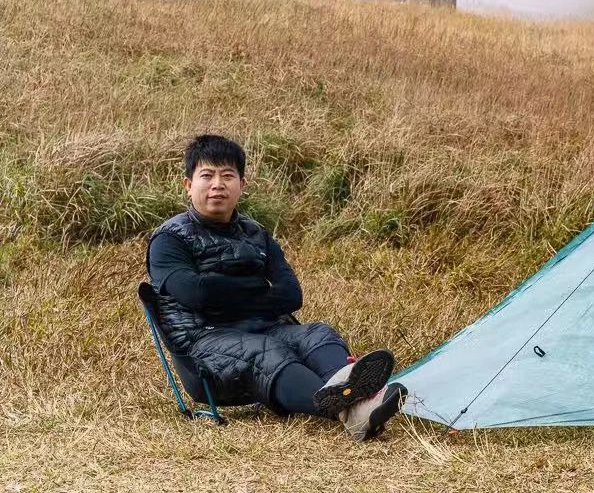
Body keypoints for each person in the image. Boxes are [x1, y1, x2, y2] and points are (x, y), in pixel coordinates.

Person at [146, 134, 405, 440]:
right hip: (205, 346)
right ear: (188, 185)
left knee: (316, 333)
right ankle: (353, 406)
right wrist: (256, 286)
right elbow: (194, 293)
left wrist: (223, 292)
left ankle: (355, 403)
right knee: (266, 350)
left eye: (228, 176)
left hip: (266, 328)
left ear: (241, 184)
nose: (218, 184)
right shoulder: (169, 239)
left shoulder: (256, 234)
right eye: (207, 175)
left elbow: (291, 295)